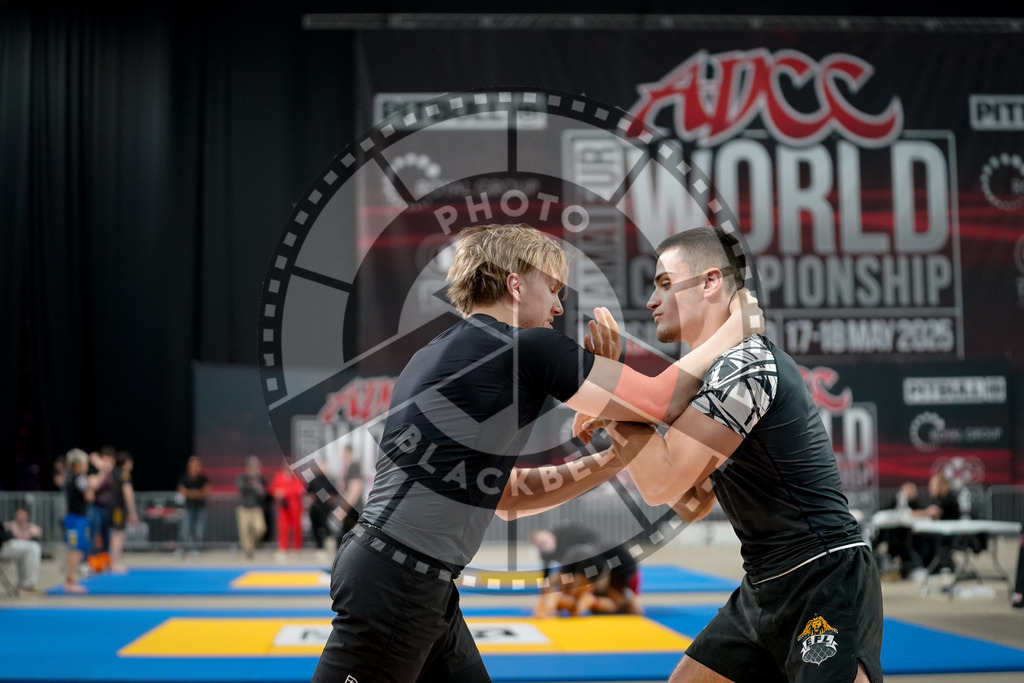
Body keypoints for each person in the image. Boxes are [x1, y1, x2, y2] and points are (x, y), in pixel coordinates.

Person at [312, 223, 761, 682]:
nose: (559, 306)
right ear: (515, 285)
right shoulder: (527, 347)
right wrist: (735, 328)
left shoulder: (433, 355)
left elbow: (509, 498)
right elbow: (659, 400)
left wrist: (614, 456)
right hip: (400, 581)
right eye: (552, 288)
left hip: (407, 577)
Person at [579, 226, 882, 683]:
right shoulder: (716, 373)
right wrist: (616, 411)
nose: (652, 300)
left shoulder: (746, 365)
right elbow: (693, 501)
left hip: (822, 575)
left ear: (710, 282)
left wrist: (612, 406)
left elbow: (661, 482)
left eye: (665, 283)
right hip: (765, 583)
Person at [534, 544, 641, 618]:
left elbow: (553, 581)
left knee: (571, 599)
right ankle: (554, 599)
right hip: (591, 561)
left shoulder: (621, 581)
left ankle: (553, 601)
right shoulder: (619, 588)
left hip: (576, 553)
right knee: (576, 605)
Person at [62, 448, 93, 593]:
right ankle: (70, 582)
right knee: (75, 550)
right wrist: (90, 485)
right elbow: (89, 497)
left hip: (73, 518)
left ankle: (71, 579)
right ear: (78, 465)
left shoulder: (69, 476)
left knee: (76, 549)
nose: (86, 466)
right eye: (85, 463)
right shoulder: (79, 478)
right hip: (76, 519)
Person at [108, 451, 139, 573]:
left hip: (113, 506)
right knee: (118, 534)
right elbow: (128, 492)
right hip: (118, 508)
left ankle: (114, 561)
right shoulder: (124, 474)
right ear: (126, 463)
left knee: (116, 533)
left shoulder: (113, 473)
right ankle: (114, 563)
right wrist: (132, 511)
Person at [1, 506, 44, 593]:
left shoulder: (31, 526)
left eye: (23, 515)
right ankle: (27, 585)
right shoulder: (11, 525)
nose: (21, 517)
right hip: (3, 545)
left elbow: (38, 532)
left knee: (26, 551)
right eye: (19, 515)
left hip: (5, 544)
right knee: (33, 549)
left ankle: (23, 584)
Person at [268, 462, 306, 558]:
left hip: (295, 507)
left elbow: (300, 490)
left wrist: (285, 492)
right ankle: (283, 548)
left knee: (296, 528)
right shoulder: (279, 477)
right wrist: (276, 492)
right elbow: (272, 489)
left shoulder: (296, 478)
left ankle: (296, 548)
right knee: (283, 527)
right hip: (284, 507)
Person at [176, 455, 210, 557]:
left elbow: (206, 491)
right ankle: (181, 549)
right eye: (193, 465)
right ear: (189, 466)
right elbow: (181, 490)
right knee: (184, 529)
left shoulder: (203, 478)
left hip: (200, 508)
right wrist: (195, 493)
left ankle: (196, 549)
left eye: (197, 465)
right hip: (187, 508)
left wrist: (192, 493)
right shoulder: (184, 477)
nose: (195, 467)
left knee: (198, 530)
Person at [236, 456, 267, 560]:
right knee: (244, 532)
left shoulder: (259, 479)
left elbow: (262, 494)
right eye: (253, 466)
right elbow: (243, 488)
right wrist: (252, 483)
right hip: (244, 509)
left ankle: (252, 542)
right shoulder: (242, 478)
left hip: (255, 508)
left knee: (260, 528)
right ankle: (248, 551)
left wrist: (256, 483)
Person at [337, 445, 364, 539]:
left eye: (342, 452)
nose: (341, 455)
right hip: (351, 509)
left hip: (354, 509)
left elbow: (355, 491)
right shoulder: (350, 467)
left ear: (347, 452)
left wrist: (344, 510)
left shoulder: (354, 467)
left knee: (349, 538)